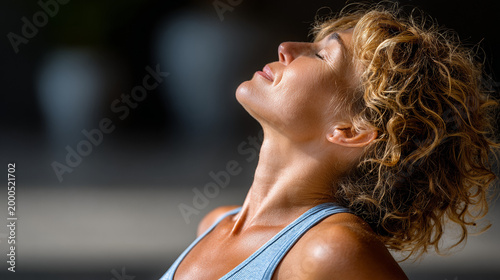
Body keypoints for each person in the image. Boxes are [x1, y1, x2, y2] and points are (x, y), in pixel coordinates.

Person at [160, 2, 498, 279]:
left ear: (351, 130)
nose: (286, 48)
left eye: (322, 55)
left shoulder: (334, 251)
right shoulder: (215, 222)